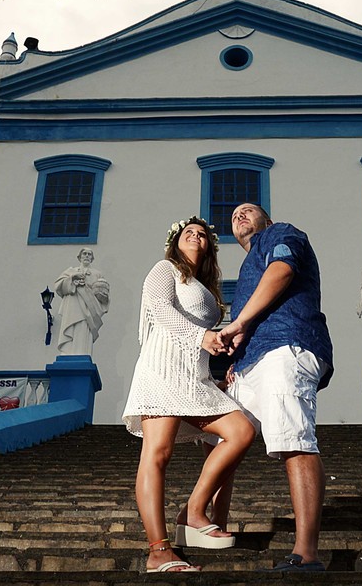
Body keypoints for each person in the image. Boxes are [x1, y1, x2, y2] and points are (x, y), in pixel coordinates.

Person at [122, 217, 256, 573]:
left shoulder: (207, 288)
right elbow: (160, 309)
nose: (196, 236)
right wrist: (202, 337)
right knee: (158, 454)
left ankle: (193, 512)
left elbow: (205, 333)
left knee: (241, 432)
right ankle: (158, 550)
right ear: (175, 243)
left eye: (202, 234)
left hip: (195, 377)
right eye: (188, 233)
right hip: (162, 368)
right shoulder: (164, 269)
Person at [216, 203, 334, 572]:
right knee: (223, 440)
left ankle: (307, 554)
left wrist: (238, 324)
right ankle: (210, 527)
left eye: (248, 211)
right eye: (234, 215)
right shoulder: (248, 262)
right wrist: (237, 360)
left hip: (288, 346)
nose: (239, 216)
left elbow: (282, 272)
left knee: (293, 438)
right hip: (253, 362)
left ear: (266, 218)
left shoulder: (281, 233)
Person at [53, 248, 109, 355]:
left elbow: (103, 293)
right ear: (80, 257)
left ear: (92, 258)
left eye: (89, 254)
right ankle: (68, 351)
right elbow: (58, 285)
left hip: (89, 307)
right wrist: (73, 278)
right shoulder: (71, 271)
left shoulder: (97, 274)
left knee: (84, 328)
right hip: (73, 305)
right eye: (84, 254)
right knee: (71, 326)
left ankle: (82, 352)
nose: (87, 256)